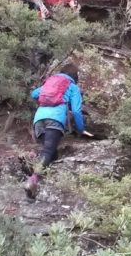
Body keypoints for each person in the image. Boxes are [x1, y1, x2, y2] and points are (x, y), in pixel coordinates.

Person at [25, 63, 92, 199]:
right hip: (54, 120)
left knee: (52, 153)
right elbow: (77, 111)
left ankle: (33, 182)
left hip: (39, 119)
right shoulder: (73, 87)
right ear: (75, 76)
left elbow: (34, 94)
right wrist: (81, 129)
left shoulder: (50, 82)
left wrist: (47, 100)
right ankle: (32, 180)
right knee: (48, 151)